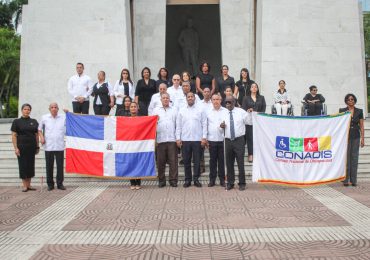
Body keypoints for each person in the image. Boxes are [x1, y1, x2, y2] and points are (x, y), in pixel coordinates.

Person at [176, 92, 207, 188]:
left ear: (194, 98)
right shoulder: (181, 111)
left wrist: (204, 137)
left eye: (191, 96)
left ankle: (196, 179)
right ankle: (187, 180)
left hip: (198, 139)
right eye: (188, 97)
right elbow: (178, 126)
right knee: (186, 161)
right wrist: (178, 138)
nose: (190, 98)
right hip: (185, 139)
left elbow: (204, 124)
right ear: (186, 98)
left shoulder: (200, 110)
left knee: (197, 161)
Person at [220, 96, 249, 191]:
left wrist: (250, 114)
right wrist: (221, 126)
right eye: (226, 102)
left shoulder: (241, 112)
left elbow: (250, 121)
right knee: (229, 163)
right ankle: (230, 183)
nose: (227, 104)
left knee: (240, 162)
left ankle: (242, 183)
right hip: (228, 140)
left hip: (239, 140)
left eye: (229, 102)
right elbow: (219, 129)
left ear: (234, 102)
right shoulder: (223, 113)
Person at [11, 103, 40, 192]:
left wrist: (37, 146)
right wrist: (16, 148)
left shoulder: (34, 121)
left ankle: (29, 185)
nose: (27, 111)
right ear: (22, 110)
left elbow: (36, 135)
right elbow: (14, 135)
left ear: (30, 111)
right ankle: (24, 186)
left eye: (28, 109)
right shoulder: (16, 121)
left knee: (30, 165)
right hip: (21, 147)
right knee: (23, 165)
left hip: (31, 147)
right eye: (25, 109)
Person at [38, 103, 66, 191]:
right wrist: (41, 137)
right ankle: (50, 184)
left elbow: (73, 121)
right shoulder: (44, 117)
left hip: (59, 145)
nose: (54, 109)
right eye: (52, 107)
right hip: (48, 146)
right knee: (49, 165)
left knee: (60, 166)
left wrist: (68, 113)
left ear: (58, 109)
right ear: (49, 109)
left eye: (55, 107)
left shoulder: (63, 117)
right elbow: (39, 129)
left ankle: (60, 183)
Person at [152, 93, 178, 187]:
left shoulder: (174, 110)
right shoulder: (155, 111)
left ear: (169, 99)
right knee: (160, 162)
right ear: (161, 99)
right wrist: (154, 139)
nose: (165, 99)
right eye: (164, 98)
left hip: (172, 139)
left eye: (167, 98)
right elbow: (152, 126)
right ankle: (161, 181)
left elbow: (177, 125)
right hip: (160, 140)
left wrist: (178, 138)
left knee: (173, 162)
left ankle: (173, 180)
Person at [339, 94, 365, 187]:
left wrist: (363, 138)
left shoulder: (359, 111)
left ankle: (354, 180)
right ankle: (346, 180)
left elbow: (361, 126)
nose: (351, 101)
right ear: (346, 101)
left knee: (354, 158)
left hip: (356, 136)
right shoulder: (342, 111)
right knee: (346, 158)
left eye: (352, 99)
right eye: (349, 99)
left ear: (355, 100)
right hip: (345, 137)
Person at [242, 82, 266, 163]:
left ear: (257, 89)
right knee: (250, 138)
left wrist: (256, 112)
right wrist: (248, 110)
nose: (254, 88)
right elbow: (243, 109)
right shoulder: (246, 98)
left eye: (256, 87)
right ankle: (250, 154)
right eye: (252, 87)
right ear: (250, 89)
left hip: (259, 121)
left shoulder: (261, 98)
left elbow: (263, 109)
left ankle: (259, 154)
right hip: (249, 121)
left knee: (258, 138)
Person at [206, 94, 227, 187]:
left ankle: (222, 180)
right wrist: (205, 138)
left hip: (223, 139)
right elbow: (205, 126)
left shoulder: (226, 111)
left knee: (222, 161)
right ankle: (212, 180)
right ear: (211, 100)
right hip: (212, 139)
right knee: (213, 161)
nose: (215, 101)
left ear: (221, 100)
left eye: (217, 99)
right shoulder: (208, 111)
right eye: (213, 99)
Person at [128, 102, 142, 190]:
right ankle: (132, 182)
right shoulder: (125, 120)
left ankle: (138, 182)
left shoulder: (142, 119)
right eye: (131, 107)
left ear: (138, 108)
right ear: (129, 108)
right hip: (128, 145)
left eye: (135, 107)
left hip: (139, 145)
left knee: (138, 163)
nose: (133, 108)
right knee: (130, 164)